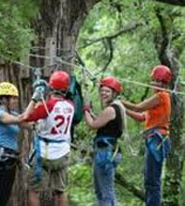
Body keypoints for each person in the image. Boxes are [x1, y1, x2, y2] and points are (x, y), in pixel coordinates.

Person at [23, 71, 75, 206]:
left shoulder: (49, 106)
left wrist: (35, 98)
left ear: (50, 87)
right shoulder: (71, 106)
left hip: (44, 154)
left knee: (34, 190)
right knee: (60, 191)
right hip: (62, 153)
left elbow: (26, 116)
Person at [122, 65, 172, 206]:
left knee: (152, 181)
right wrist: (123, 108)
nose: (152, 83)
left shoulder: (161, 96)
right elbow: (141, 116)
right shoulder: (158, 99)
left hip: (157, 139)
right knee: (149, 179)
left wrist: (119, 101)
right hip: (154, 139)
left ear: (161, 82)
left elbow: (138, 107)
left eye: (155, 80)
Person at [83, 76, 124, 206]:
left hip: (105, 152)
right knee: (103, 191)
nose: (103, 93)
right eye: (102, 90)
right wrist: (90, 113)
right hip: (108, 150)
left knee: (105, 193)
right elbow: (101, 124)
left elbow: (92, 125)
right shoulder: (116, 108)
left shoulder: (111, 109)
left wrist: (85, 111)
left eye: (107, 91)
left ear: (114, 93)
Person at [0, 82, 28, 206]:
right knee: (2, 195)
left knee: (5, 195)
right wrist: (34, 101)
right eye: (12, 98)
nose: (15, 101)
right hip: (3, 157)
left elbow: (28, 123)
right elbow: (20, 120)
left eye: (15, 98)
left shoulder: (13, 114)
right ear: (3, 99)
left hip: (10, 157)